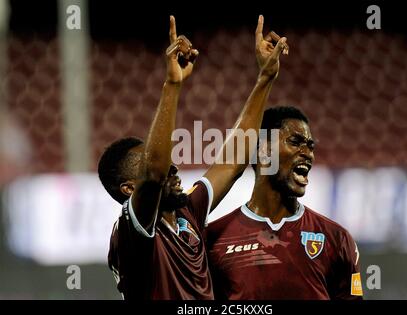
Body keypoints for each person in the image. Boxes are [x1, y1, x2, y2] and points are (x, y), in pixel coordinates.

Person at [98, 15, 287, 299]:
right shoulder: (131, 233)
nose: (171, 167)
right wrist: (172, 85)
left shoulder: (187, 212)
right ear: (129, 189)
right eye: (155, 163)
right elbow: (153, 175)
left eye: (168, 161)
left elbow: (233, 162)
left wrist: (265, 77)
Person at [206, 106, 364, 300]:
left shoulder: (336, 240)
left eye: (310, 146)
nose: (308, 154)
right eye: (295, 142)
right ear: (263, 152)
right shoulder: (214, 240)